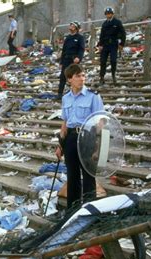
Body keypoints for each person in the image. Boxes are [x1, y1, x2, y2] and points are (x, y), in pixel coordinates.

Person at [55, 64, 104, 210]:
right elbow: (65, 122)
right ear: (69, 79)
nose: (82, 79)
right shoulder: (66, 98)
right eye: (78, 76)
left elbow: (100, 122)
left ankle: (90, 212)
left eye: (83, 75)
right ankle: (72, 211)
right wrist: (60, 145)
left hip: (87, 137)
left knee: (89, 177)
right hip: (70, 138)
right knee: (73, 176)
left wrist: (97, 147)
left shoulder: (93, 96)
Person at [98, 7, 126, 85]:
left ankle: (113, 75)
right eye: (107, 14)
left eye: (109, 13)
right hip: (105, 45)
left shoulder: (117, 22)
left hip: (113, 44)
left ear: (112, 14)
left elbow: (123, 33)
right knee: (103, 61)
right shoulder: (104, 24)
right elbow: (102, 35)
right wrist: (100, 44)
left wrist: (121, 44)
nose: (108, 15)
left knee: (113, 61)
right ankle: (101, 77)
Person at [58, 21, 85, 99]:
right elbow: (64, 50)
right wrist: (61, 61)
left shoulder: (80, 37)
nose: (71, 27)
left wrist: (79, 58)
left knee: (74, 77)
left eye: (73, 26)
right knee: (63, 76)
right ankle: (60, 93)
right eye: (70, 26)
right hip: (66, 59)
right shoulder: (68, 38)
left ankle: (76, 93)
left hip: (74, 60)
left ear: (76, 28)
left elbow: (81, 49)